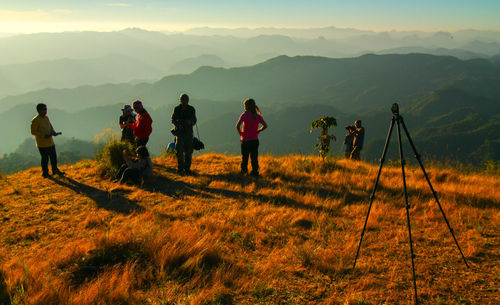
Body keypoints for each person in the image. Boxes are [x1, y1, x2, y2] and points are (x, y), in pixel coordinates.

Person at [30, 103, 64, 177]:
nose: (46, 111)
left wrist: (54, 132)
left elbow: (50, 126)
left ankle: (55, 170)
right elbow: (33, 132)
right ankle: (45, 173)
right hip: (42, 144)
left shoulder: (46, 118)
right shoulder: (35, 120)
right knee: (45, 158)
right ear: (39, 110)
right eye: (44, 109)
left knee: (53, 157)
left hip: (50, 142)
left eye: (46, 109)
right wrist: (44, 135)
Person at [236, 98, 268, 177]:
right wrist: (258, 130)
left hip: (245, 140)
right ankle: (255, 172)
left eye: (244, 105)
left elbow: (237, 126)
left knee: (245, 157)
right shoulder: (257, 116)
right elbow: (265, 125)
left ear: (247, 106)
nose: (244, 107)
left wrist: (241, 134)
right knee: (254, 157)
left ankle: (244, 171)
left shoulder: (244, 115)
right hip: (254, 140)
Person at [171, 93, 197, 175]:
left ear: (188, 100)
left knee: (188, 152)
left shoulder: (191, 109)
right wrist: (178, 125)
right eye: (182, 100)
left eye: (185, 100)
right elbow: (173, 119)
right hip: (180, 133)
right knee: (179, 151)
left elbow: (194, 120)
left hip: (188, 133)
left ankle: (187, 169)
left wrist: (190, 122)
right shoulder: (177, 109)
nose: (184, 101)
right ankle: (180, 169)